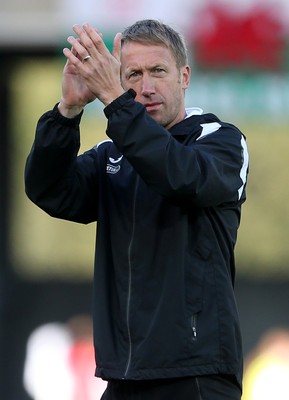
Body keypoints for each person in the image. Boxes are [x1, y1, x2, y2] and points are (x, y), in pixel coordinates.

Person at [25, 19, 249, 400]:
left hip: (196, 373)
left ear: (184, 76)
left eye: (158, 71)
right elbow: (49, 190)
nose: (145, 88)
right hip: (123, 374)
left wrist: (115, 99)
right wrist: (67, 111)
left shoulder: (220, 141)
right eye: (132, 75)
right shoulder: (112, 155)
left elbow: (181, 176)